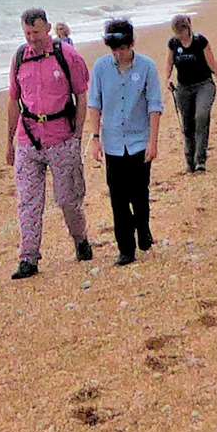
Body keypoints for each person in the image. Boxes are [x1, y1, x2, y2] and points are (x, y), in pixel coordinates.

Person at [6, 7, 93, 280]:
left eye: (37, 32)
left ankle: (80, 240)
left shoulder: (67, 56)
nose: (32, 38)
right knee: (28, 201)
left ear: (49, 29)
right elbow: (13, 100)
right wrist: (9, 142)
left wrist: (77, 135)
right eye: (27, 33)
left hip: (62, 137)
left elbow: (81, 95)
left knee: (68, 199)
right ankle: (28, 257)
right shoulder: (20, 57)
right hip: (28, 139)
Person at [89, 19, 163, 266]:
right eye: (114, 49)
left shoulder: (147, 67)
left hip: (139, 140)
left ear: (131, 44)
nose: (118, 53)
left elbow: (154, 106)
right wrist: (95, 138)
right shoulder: (101, 67)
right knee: (118, 197)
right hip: (112, 142)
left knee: (139, 194)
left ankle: (143, 227)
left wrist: (153, 142)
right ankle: (125, 248)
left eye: (122, 48)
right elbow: (94, 104)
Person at [163, 14, 217, 173]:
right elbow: (169, 63)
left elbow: (212, 64)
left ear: (188, 28)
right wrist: (167, 79)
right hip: (183, 88)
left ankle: (200, 159)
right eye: (177, 32)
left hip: (204, 85)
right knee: (187, 124)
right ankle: (189, 160)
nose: (180, 35)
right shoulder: (173, 44)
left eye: (182, 31)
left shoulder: (200, 41)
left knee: (201, 117)